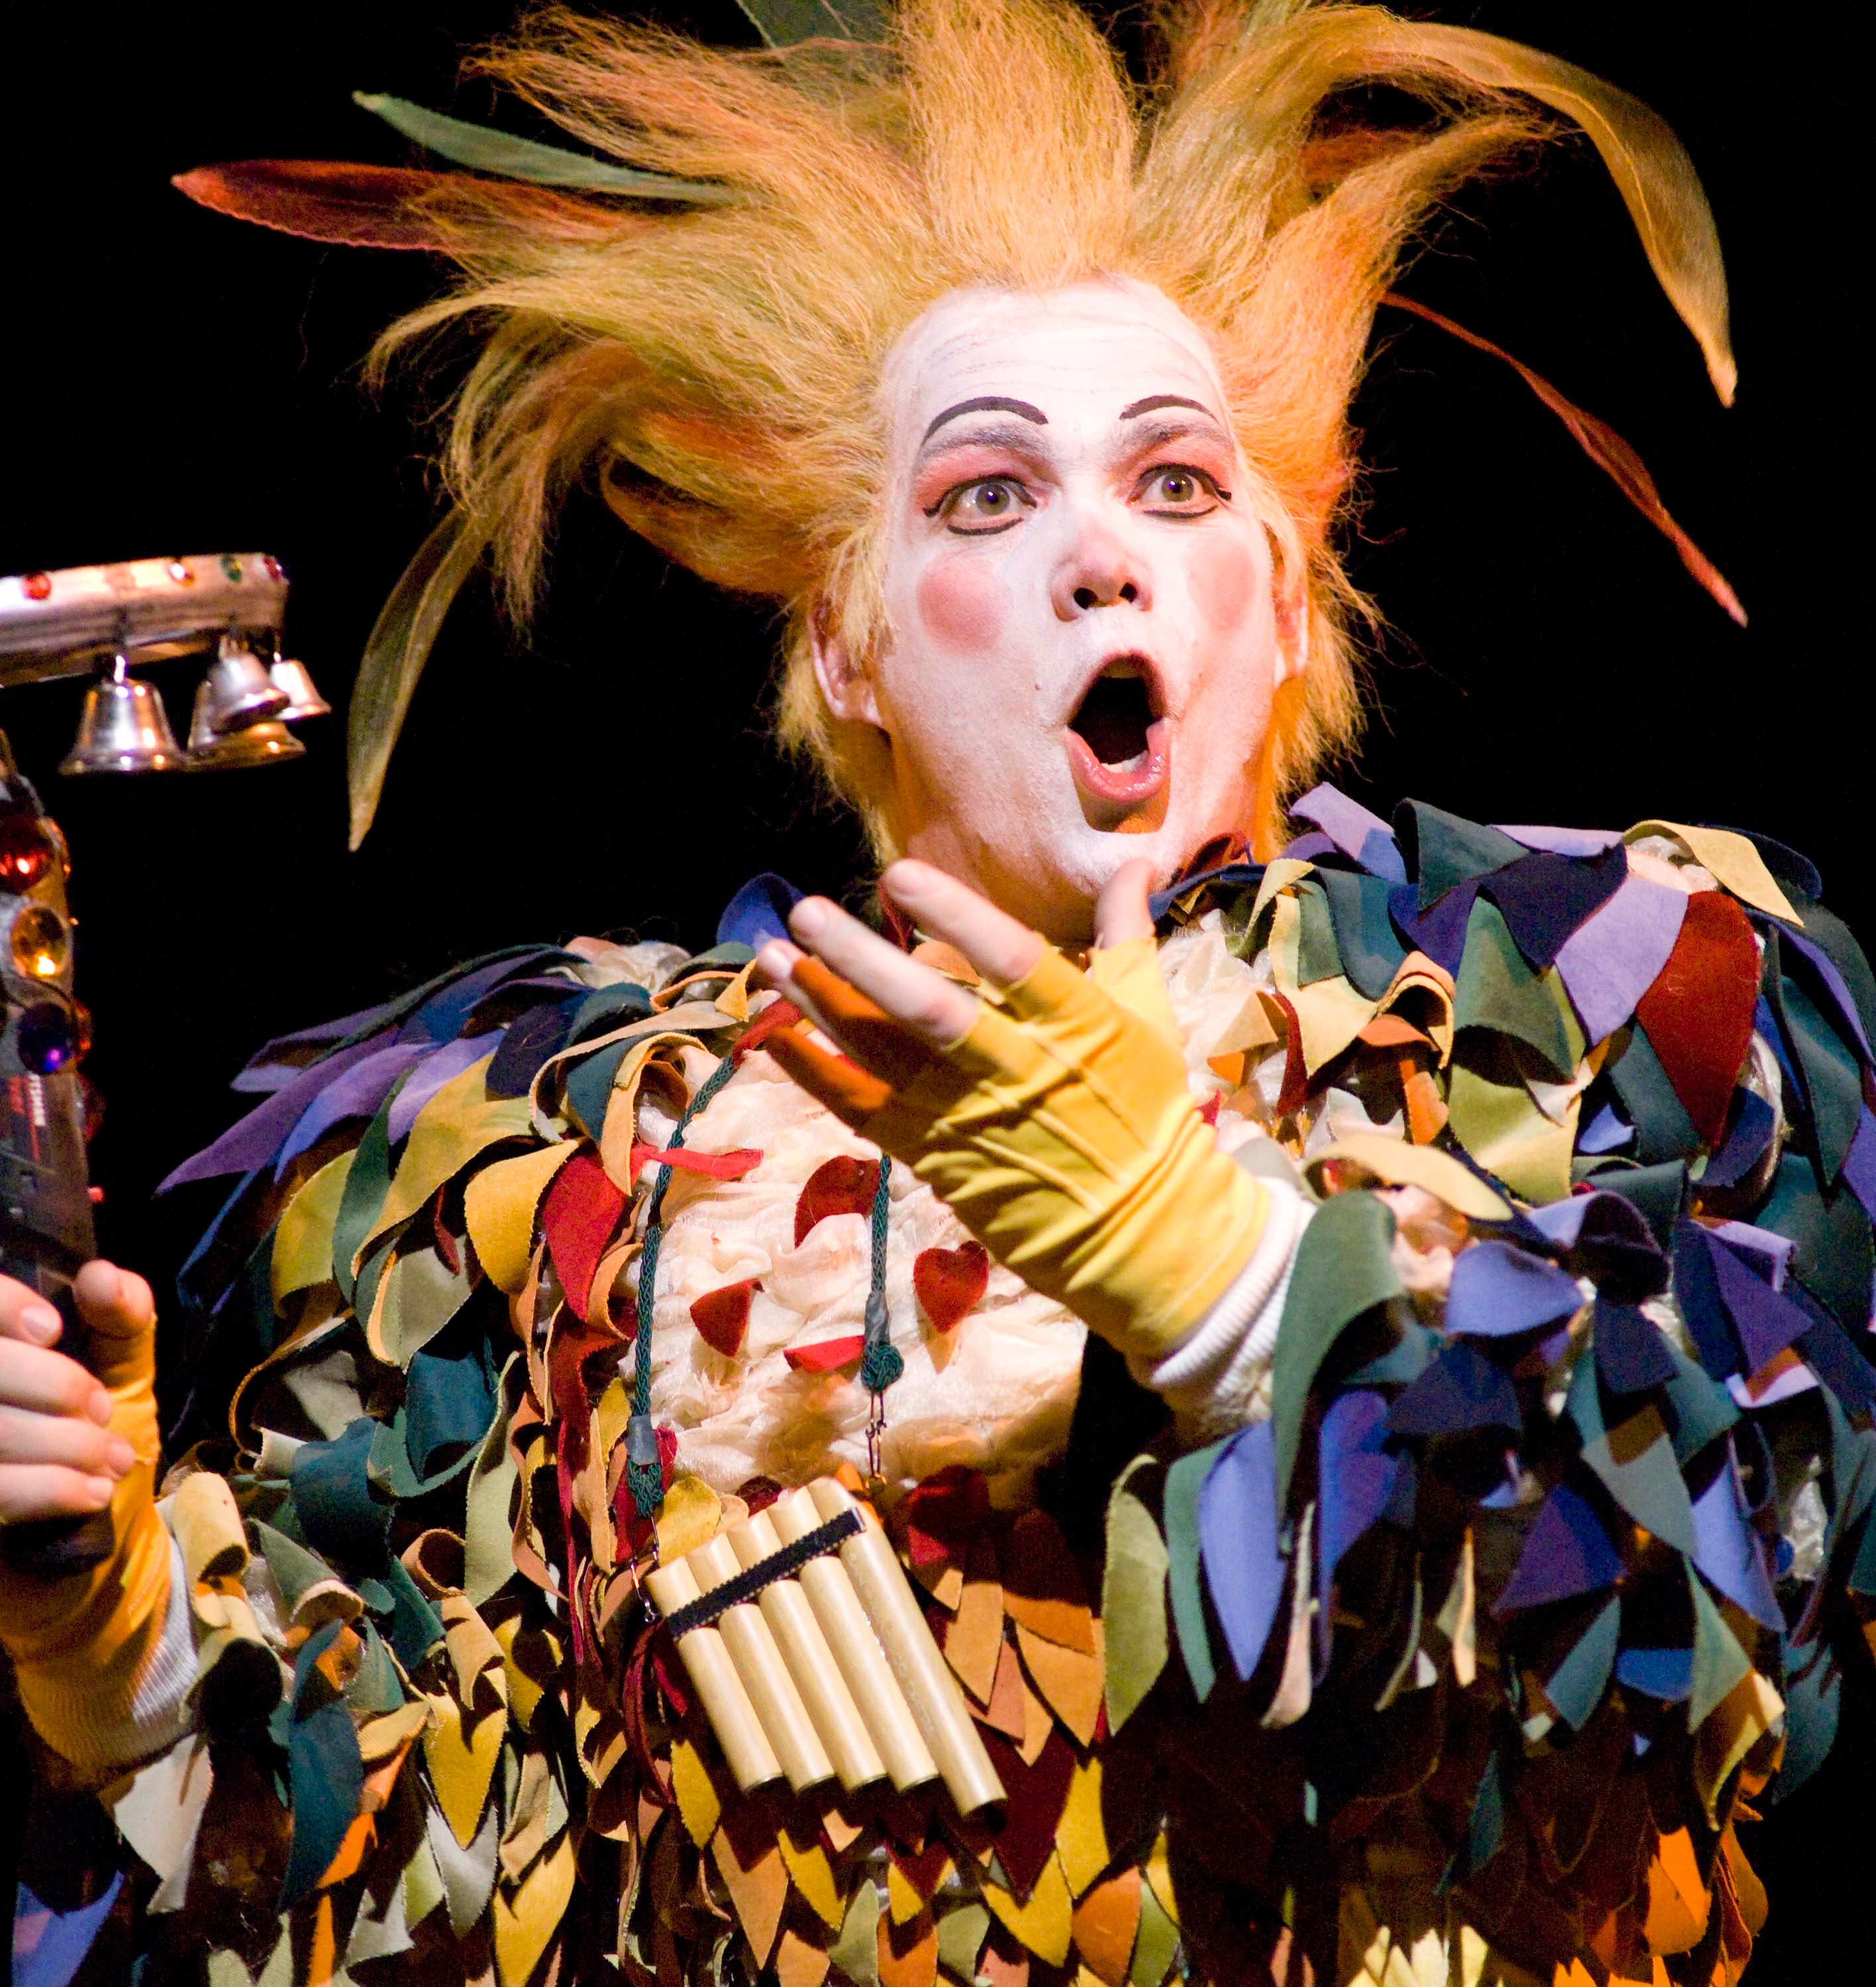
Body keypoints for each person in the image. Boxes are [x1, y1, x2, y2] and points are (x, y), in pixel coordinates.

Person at [1, 1, 1868, 1981]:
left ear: (1285, 594)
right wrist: (117, 1658)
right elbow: (407, 1866)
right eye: (987, 495)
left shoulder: (1593, 998)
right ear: (848, 638)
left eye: (1176, 484)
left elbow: (1731, 1626)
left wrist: (1231, 1281)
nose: (1100, 558)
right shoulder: (554, 1144)